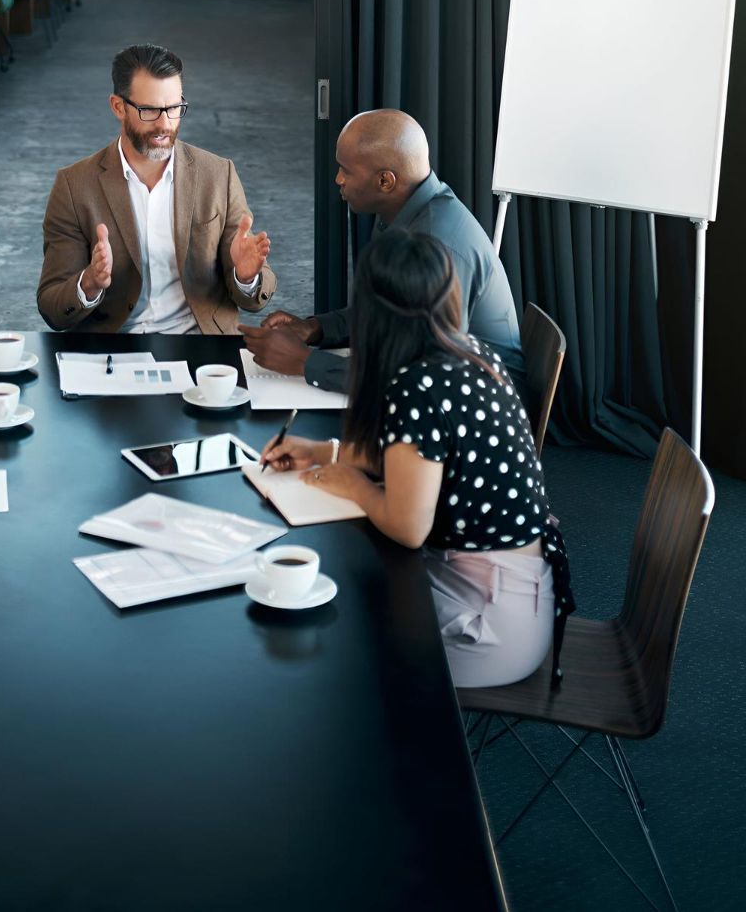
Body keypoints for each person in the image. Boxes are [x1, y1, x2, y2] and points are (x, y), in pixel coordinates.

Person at [263, 230, 573, 688]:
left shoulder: (417, 388)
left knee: (330, 641)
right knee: (348, 587)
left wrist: (354, 484)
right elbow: (427, 464)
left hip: (492, 624)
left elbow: (409, 529)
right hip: (517, 590)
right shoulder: (469, 353)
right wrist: (325, 452)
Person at [242, 109, 524, 395]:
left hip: (481, 405)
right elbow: (388, 314)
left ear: (385, 181)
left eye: (347, 170)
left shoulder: (437, 247)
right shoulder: (403, 209)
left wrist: (304, 362)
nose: (338, 179)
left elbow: (418, 375)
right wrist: (315, 328)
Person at [37, 43, 275, 334]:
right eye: (149, 110)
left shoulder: (218, 175)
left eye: (174, 108)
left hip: (198, 343)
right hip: (114, 348)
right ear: (118, 107)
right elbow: (52, 308)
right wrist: (88, 284)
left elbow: (252, 299)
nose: (164, 124)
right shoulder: (74, 186)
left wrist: (245, 276)